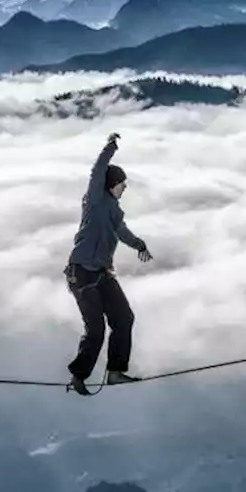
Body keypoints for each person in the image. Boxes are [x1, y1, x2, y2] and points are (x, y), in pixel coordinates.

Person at [64, 132, 153, 396]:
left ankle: (115, 371)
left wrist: (139, 245)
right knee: (96, 330)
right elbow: (97, 171)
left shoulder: (114, 210)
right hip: (80, 273)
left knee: (124, 318)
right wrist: (111, 146)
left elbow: (122, 231)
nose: (124, 188)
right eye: (122, 184)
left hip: (102, 273)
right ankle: (79, 376)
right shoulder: (95, 200)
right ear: (112, 183)